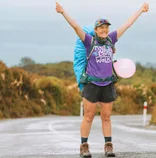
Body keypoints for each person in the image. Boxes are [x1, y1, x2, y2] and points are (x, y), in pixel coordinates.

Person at [55, 2, 149, 157]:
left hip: (107, 84)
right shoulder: (89, 41)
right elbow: (75, 26)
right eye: (101, 27)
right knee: (89, 116)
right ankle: (84, 146)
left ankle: (108, 146)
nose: (105, 30)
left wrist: (141, 10)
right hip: (91, 84)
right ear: (96, 30)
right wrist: (63, 12)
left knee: (106, 117)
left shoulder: (111, 39)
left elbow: (128, 24)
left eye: (106, 27)